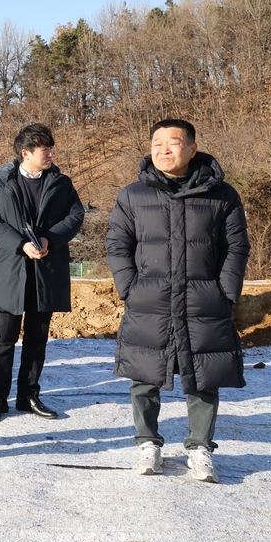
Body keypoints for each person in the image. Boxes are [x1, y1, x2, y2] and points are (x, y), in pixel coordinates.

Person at [106, 119, 249, 483]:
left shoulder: (223, 195)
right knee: (143, 373)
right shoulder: (133, 195)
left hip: (204, 300)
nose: (163, 150)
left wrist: (226, 292)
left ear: (192, 148)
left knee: (203, 376)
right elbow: (118, 245)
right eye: (157, 143)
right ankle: (147, 442)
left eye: (172, 143)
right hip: (149, 299)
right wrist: (129, 287)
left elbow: (235, 247)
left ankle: (200, 448)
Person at [0, 124, 84, 422]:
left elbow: (75, 215)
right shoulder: (0, 182)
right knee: (5, 338)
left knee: (37, 339)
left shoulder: (61, 182)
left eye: (51, 148)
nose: (50, 153)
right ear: (26, 153)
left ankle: (28, 396)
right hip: (12, 269)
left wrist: (51, 238)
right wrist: (20, 244)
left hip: (46, 269)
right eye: (45, 149)